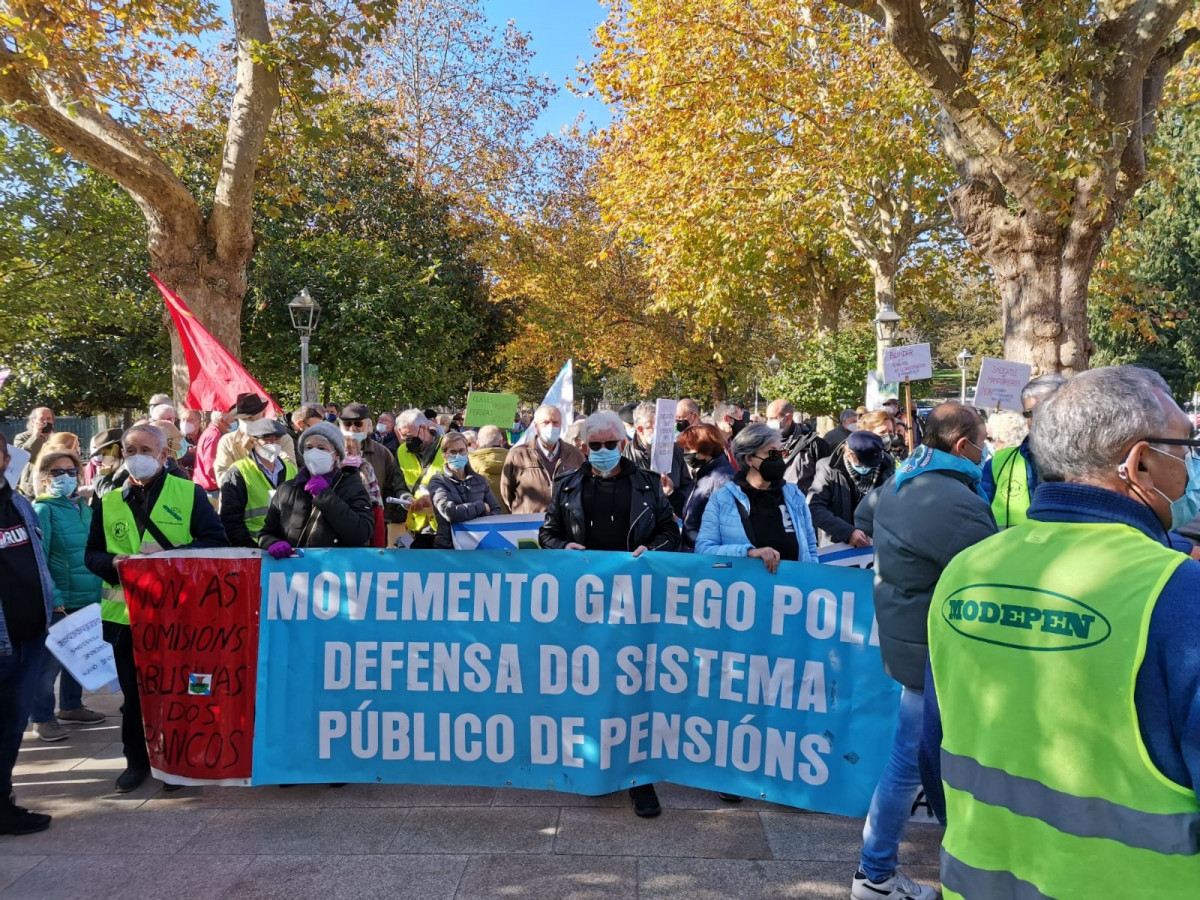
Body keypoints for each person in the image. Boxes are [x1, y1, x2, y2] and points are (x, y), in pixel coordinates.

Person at [925, 366, 1200, 899]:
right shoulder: (1180, 595)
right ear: (1140, 462)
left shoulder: (966, 570)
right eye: (1185, 448)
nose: (1190, 467)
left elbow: (934, 749)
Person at [848, 402, 996, 900]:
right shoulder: (950, 499)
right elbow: (994, 571)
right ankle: (876, 873)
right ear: (962, 445)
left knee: (910, 762)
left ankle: (877, 871)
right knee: (911, 765)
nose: (986, 450)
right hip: (939, 653)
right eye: (983, 441)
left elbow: (863, 514)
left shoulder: (905, 480)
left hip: (911, 644)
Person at [539, 409, 680, 819]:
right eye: (594, 445)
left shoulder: (648, 484)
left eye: (610, 444)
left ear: (623, 443)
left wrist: (653, 550)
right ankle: (592, 763)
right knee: (588, 685)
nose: (602, 451)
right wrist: (562, 548)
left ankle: (638, 779)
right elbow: (547, 533)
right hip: (584, 603)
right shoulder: (566, 485)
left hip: (635, 603)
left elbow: (670, 531)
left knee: (633, 686)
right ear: (584, 447)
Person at [84, 424, 229, 792]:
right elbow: (92, 554)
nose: (137, 457)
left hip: (178, 615)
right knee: (135, 695)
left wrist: (170, 560)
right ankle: (136, 761)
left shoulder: (189, 493)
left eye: (146, 450)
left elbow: (215, 542)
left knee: (180, 690)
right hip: (125, 618)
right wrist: (113, 564)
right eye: (130, 450)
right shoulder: (109, 501)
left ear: (164, 454)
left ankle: (178, 760)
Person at [0, 432, 56, 836]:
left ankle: (3, 805)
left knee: (11, 727)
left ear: (6, 459)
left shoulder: (20, 504)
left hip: (29, 638)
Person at [29, 450, 106, 743]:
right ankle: (42, 718)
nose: (66, 477)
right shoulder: (43, 510)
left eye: (71, 471)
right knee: (48, 666)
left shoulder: (83, 509)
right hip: (61, 600)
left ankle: (72, 706)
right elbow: (39, 558)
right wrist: (54, 594)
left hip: (87, 596)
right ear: (44, 477)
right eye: (58, 472)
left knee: (79, 657)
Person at [695, 424, 819, 571]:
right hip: (744, 583)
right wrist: (748, 553)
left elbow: (810, 548)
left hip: (792, 584)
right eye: (772, 453)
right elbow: (704, 550)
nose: (778, 459)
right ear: (749, 459)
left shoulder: (794, 495)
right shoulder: (722, 499)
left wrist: (810, 578)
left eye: (781, 453)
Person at [259, 423, 374, 555]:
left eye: (321, 448)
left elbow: (362, 533)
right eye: (309, 447)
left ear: (336, 454)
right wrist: (272, 543)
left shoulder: (352, 487)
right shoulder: (287, 489)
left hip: (334, 566)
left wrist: (325, 496)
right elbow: (266, 534)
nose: (314, 452)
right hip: (293, 566)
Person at [980, 373, 1067, 528]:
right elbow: (981, 517)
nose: (1036, 419)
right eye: (1029, 413)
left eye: (1044, 410)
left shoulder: (1093, 461)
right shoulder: (998, 463)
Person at [808, 430, 894, 548]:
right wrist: (848, 533)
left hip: (879, 541)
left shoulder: (887, 464)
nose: (866, 468)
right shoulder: (827, 468)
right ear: (848, 454)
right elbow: (814, 507)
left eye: (871, 465)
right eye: (861, 464)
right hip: (839, 543)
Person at [219, 419, 296, 548]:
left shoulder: (291, 470)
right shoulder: (239, 472)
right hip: (254, 547)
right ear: (254, 441)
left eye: (277, 440)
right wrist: (250, 548)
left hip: (287, 547)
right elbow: (231, 519)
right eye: (267, 440)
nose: (273, 444)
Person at [501, 405, 586, 515]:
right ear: (536, 426)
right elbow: (507, 493)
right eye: (545, 422)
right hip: (528, 523)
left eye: (555, 422)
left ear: (561, 425)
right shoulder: (517, 455)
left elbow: (583, 488)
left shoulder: (575, 454)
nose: (551, 427)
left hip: (565, 522)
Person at [339, 403, 403, 542]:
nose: (352, 428)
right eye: (347, 424)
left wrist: (384, 518)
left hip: (372, 522)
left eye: (358, 423)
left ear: (368, 425)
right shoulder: (331, 451)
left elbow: (391, 487)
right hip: (338, 521)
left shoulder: (383, 453)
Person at [429, 432, 501, 548]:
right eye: (453, 452)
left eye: (461, 450)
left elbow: (496, 511)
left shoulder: (480, 480)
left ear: (467, 452)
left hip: (479, 543)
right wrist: (481, 506)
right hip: (449, 545)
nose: (458, 455)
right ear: (444, 456)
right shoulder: (438, 482)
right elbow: (450, 512)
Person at [623, 402, 694, 517]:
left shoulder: (676, 450)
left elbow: (688, 487)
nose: (663, 433)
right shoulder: (627, 456)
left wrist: (672, 495)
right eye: (657, 429)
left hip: (672, 520)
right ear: (640, 429)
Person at [213, 393, 296, 484]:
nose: (247, 423)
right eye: (243, 419)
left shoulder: (282, 438)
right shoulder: (227, 441)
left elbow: (291, 471)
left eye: (251, 418)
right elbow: (223, 478)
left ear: (263, 414)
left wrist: (259, 452)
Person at [677, 424, 735, 551]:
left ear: (705, 451)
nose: (685, 454)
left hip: (707, 554)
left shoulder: (721, 479)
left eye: (688, 449)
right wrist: (671, 493)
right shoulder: (703, 474)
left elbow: (727, 526)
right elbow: (692, 514)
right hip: (696, 550)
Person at [395, 409, 444, 548]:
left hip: (443, 524)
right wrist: (407, 500)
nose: (406, 441)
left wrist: (434, 498)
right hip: (416, 527)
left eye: (409, 435)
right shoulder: (402, 451)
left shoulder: (447, 446)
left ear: (423, 428)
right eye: (403, 436)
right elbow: (399, 485)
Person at [766, 398, 831, 493]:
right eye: (767, 418)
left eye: (773, 418)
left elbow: (827, 479)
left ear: (788, 417)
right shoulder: (763, 443)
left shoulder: (813, 444)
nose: (769, 422)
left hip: (803, 500)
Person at [14, 407, 56, 498]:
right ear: (33, 421)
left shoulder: (58, 438)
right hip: (31, 488)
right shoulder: (22, 437)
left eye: (48, 419)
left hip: (54, 485)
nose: (45, 422)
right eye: (41, 419)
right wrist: (35, 436)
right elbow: (21, 456)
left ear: (53, 421)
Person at [192, 409, 232, 501]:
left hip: (208, 487)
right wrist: (226, 484)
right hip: (211, 489)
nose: (233, 423)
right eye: (232, 420)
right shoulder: (214, 436)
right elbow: (211, 467)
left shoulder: (211, 432)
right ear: (222, 421)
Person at [469, 425, 510, 513]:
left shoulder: (469, 462)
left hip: (482, 515)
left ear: (478, 443)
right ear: (501, 442)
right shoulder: (515, 459)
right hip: (512, 515)